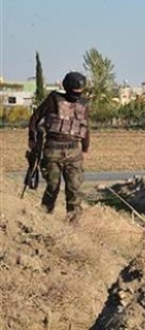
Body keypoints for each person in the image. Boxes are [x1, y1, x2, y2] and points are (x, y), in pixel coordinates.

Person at [28, 71, 90, 224]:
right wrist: (32, 139)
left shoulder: (83, 104)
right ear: (67, 88)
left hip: (74, 152)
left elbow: (85, 127)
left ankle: (73, 227)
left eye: (80, 92)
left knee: (74, 190)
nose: (77, 95)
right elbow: (35, 118)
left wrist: (85, 148)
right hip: (52, 151)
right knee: (52, 188)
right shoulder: (53, 99)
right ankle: (44, 222)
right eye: (75, 92)